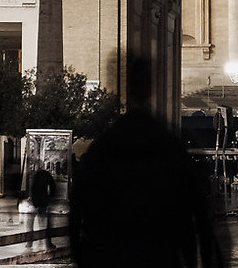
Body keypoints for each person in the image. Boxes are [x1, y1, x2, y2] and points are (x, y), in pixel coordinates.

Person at [70, 53, 190, 268]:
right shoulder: (168, 144)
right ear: (152, 88)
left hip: (109, 253)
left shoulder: (102, 146)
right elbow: (192, 214)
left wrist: (82, 254)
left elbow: (77, 210)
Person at [26, 158, 58, 249]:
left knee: (31, 222)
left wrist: (31, 199)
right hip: (43, 200)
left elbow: (32, 189)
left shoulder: (35, 175)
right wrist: (51, 197)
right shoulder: (45, 174)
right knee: (45, 223)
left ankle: (30, 242)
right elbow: (53, 186)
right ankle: (48, 242)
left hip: (37, 201)